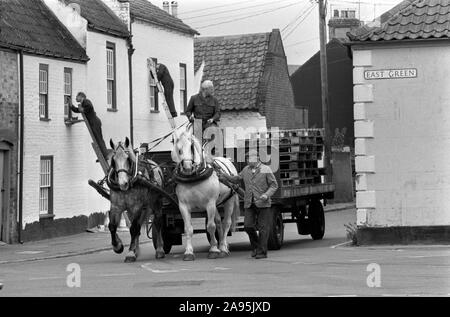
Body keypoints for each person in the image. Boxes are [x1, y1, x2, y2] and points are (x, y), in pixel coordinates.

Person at [219, 150, 278, 259]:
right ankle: (256, 247)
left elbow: (274, 185)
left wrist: (266, 195)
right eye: (246, 159)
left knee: (263, 228)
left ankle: (262, 252)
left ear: (257, 158)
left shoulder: (266, 169)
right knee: (248, 226)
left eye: (249, 158)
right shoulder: (246, 170)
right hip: (249, 203)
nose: (247, 161)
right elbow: (236, 179)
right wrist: (225, 176)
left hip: (263, 203)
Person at [68, 92, 108, 158]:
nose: (75, 98)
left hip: (95, 122)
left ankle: (105, 155)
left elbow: (89, 106)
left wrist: (83, 109)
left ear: (81, 97)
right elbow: (77, 110)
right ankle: (103, 155)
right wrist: (71, 105)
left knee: (99, 139)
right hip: (93, 122)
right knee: (97, 139)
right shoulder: (83, 104)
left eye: (77, 97)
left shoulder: (86, 101)